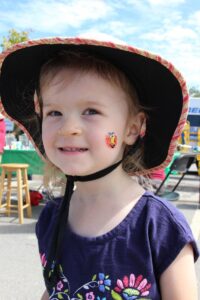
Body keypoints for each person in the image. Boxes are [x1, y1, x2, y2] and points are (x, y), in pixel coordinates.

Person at [0, 37, 199, 300]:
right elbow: (56, 287)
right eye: (54, 113)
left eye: (90, 111)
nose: (68, 127)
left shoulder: (160, 228)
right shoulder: (51, 218)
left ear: (132, 128)